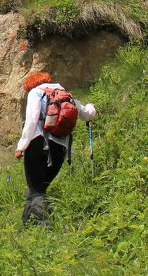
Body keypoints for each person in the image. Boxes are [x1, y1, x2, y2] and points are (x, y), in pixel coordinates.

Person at [15, 71, 96, 226]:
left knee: (36, 189)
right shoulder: (66, 95)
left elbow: (32, 119)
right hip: (60, 148)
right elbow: (87, 114)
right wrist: (92, 107)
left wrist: (21, 146)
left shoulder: (36, 92)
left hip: (38, 144)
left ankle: (45, 227)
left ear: (31, 84)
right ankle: (25, 227)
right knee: (38, 188)